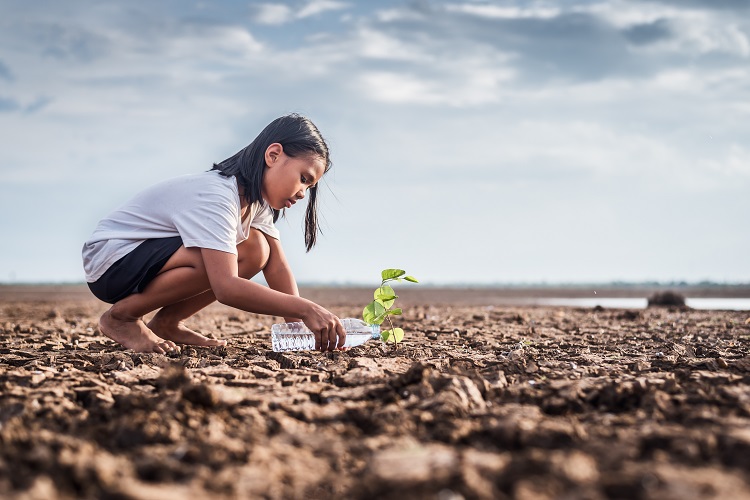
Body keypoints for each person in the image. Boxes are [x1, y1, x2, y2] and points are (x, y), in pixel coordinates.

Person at [82, 113, 345, 354]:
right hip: (112, 260)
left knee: (256, 249)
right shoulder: (218, 196)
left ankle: (167, 322)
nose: (302, 193)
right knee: (213, 256)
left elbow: (277, 267)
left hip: (142, 258)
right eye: (303, 178)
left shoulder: (255, 202)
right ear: (273, 155)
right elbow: (226, 287)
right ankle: (122, 317)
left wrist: (298, 329)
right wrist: (307, 308)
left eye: (309, 187)